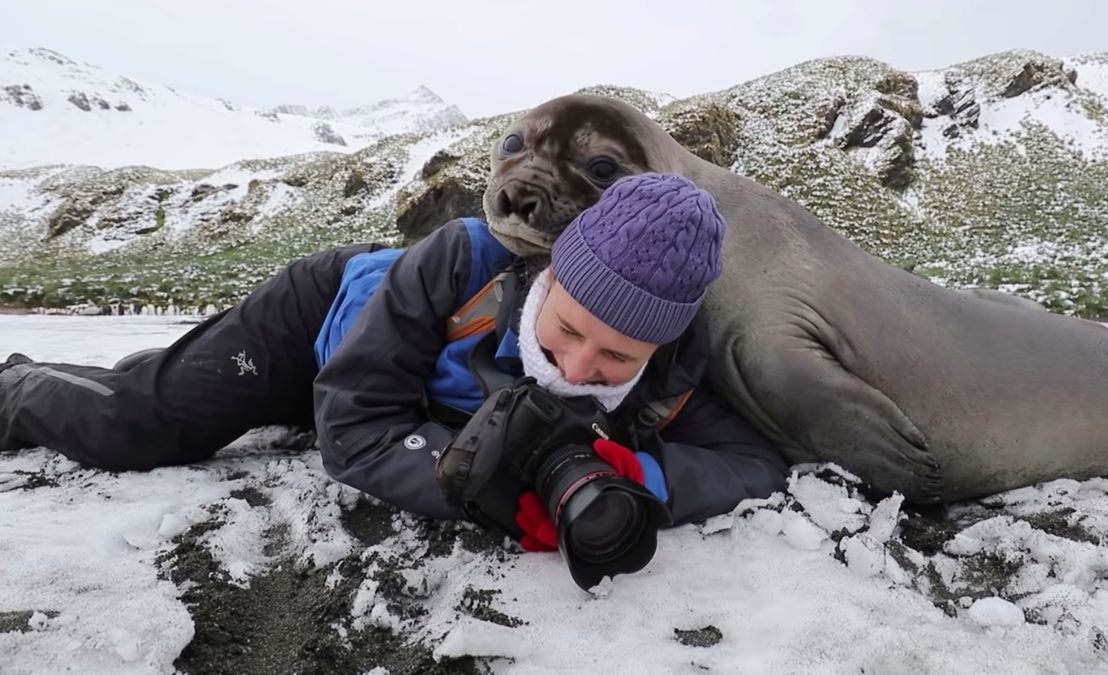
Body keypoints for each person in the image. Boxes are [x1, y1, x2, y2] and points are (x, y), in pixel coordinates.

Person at [0, 172, 787, 551]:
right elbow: (354, 428)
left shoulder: (677, 369)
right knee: (137, 421)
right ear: (550, 277)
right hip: (321, 325)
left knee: (177, 386)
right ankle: (15, 384)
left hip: (401, 392)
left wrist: (642, 480)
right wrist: (478, 479)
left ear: (660, 345)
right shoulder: (461, 264)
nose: (579, 367)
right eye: (566, 328)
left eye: (619, 355)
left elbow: (754, 458)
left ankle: (175, 370)